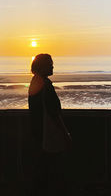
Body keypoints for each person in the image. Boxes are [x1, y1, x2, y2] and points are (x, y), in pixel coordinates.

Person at [28, 53, 71, 196]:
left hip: (37, 132)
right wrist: (65, 133)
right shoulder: (46, 85)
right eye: (50, 63)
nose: (53, 66)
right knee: (52, 170)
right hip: (48, 134)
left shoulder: (34, 81)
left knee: (41, 170)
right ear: (43, 66)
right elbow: (54, 112)